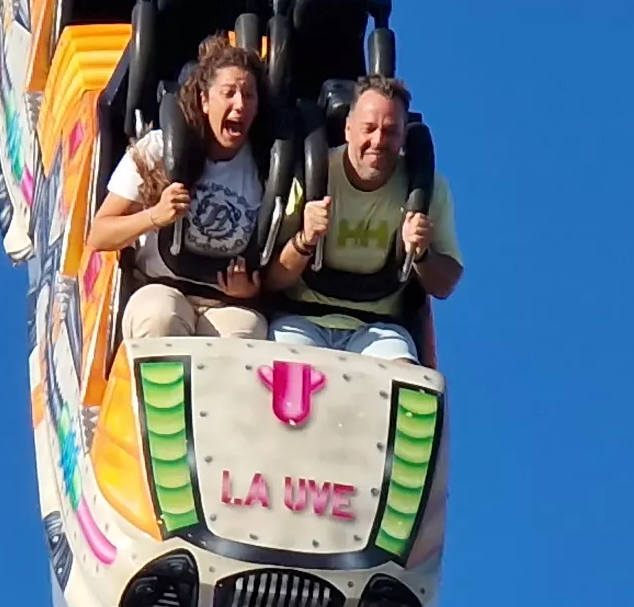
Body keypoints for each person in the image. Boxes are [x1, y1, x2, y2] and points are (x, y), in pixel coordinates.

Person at [92, 33, 276, 342]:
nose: (239, 104)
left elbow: (274, 261)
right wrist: (155, 216)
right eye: (229, 93)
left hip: (224, 302)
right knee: (162, 317)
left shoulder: (263, 167)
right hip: (160, 287)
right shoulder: (158, 148)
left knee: (245, 332)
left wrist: (252, 288)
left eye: (248, 95)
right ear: (205, 100)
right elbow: (99, 234)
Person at [271, 77, 461, 364]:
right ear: (348, 129)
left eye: (390, 131)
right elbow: (272, 278)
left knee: (404, 379)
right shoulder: (312, 181)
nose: (378, 141)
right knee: (289, 375)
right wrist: (305, 240)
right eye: (369, 128)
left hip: (378, 328)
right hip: (302, 317)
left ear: (402, 138)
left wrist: (421, 254)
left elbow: (445, 284)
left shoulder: (428, 190)